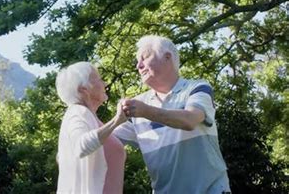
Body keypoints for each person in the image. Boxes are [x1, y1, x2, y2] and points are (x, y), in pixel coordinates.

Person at [114, 35, 231, 194]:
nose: (138, 65)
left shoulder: (197, 88)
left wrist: (146, 111)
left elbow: (190, 119)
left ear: (167, 57)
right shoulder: (137, 105)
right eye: (138, 61)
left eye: (144, 57)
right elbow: (109, 141)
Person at [56, 62, 129, 194]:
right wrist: (116, 120)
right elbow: (80, 146)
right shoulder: (78, 112)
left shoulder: (90, 118)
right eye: (99, 79)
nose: (105, 84)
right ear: (84, 89)